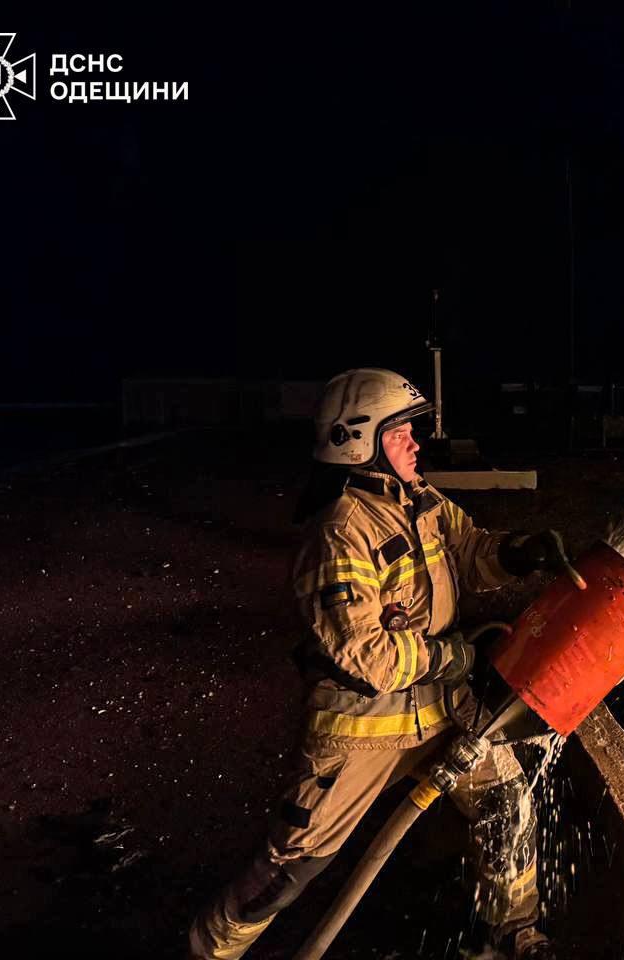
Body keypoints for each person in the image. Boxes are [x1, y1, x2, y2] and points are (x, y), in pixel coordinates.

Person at [188, 368, 570, 959]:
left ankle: (515, 933)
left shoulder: (421, 504)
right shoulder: (340, 531)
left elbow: (470, 554)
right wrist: (450, 655)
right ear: (356, 441)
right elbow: (366, 655)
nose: (417, 443)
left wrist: (516, 553)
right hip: (361, 732)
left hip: (441, 711)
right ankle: (210, 950)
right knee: (285, 875)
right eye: (401, 434)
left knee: (506, 803)